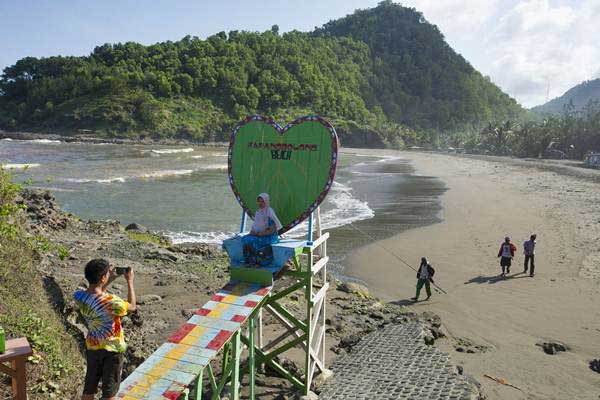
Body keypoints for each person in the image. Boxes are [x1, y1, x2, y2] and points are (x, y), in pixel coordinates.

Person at [74, 259, 136, 400]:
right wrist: (130, 281)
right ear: (102, 278)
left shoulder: (79, 296)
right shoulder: (113, 302)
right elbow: (132, 306)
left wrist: (108, 280)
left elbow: (95, 293)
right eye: (107, 273)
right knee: (109, 393)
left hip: (92, 348)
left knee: (89, 390)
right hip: (112, 351)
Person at [242, 192, 283, 266]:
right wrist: (253, 232)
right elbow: (255, 226)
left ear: (266, 201)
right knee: (245, 238)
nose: (260, 203)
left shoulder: (269, 211)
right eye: (259, 201)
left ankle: (257, 261)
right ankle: (249, 260)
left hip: (270, 237)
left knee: (251, 240)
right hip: (260, 235)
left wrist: (260, 233)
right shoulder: (258, 212)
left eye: (262, 201)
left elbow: (272, 229)